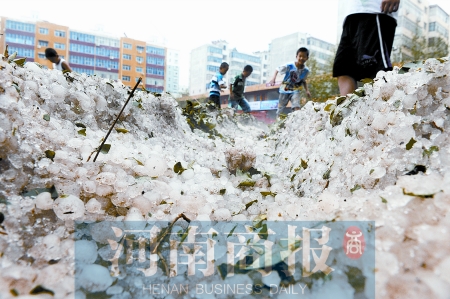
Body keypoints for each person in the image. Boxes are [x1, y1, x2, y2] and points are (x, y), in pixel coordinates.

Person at [333, 0, 400, 96]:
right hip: (351, 14)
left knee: (377, 72)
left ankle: (389, 109)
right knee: (343, 70)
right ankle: (350, 110)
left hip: (375, 10)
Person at [268, 47, 311, 116]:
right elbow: (277, 69)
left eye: (304, 56)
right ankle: (277, 123)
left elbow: (303, 80)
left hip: (295, 90)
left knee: (296, 106)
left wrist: (307, 90)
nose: (302, 58)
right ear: (296, 56)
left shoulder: (306, 70)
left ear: (307, 58)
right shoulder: (289, 65)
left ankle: (296, 120)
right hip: (284, 90)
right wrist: (273, 79)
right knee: (280, 108)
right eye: (300, 56)